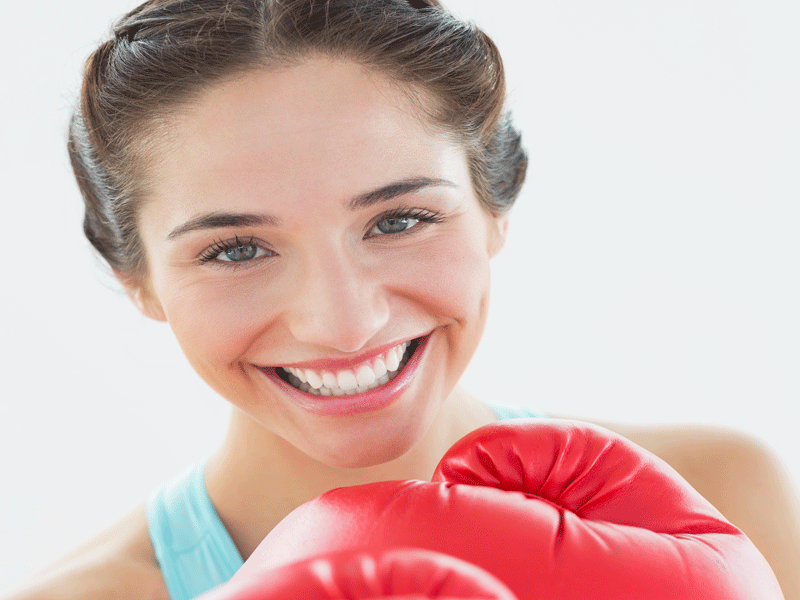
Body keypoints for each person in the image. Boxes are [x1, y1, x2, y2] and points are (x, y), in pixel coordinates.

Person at [3, 0, 798, 599]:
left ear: (495, 209)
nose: (345, 322)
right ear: (135, 279)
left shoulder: (722, 493)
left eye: (401, 220)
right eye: (236, 249)